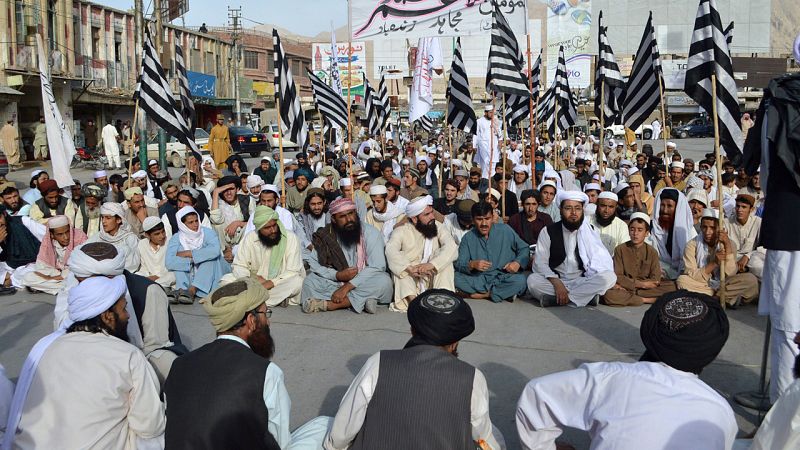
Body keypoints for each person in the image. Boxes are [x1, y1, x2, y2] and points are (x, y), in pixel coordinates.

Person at [516, 290, 736, 450]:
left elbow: (537, 394)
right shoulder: (720, 412)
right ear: (711, 351)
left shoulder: (609, 379)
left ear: (651, 333)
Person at [325, 289, 503, 450]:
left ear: (412, 330)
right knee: (493, 435)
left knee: (321, 425)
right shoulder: (472, 378)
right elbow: (484, 439)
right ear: (455, 342)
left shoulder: (378, 362)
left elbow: (340, 436)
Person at [164, 279, 330, 450]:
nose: (269, 322)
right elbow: (280, 442)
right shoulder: (266, 373)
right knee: (326, 425)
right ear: (251, 321)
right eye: (266, 314)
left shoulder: (179, 365)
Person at [4, 276, 165, 450]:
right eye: (124, 309)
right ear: (107, 316)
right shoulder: (128, 355)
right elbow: (150, 425)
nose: (128, 316)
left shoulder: (47, 347)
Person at [301, 198, 393, 314]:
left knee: (384, 281)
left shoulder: (371, 233)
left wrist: (347, 287)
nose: (349, 219)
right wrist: (338, 275)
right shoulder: (326, 235)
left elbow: (377, 266)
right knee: (310, 282)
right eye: (342, 217)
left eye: (351, 214)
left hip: (364, 279)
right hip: (336, 281)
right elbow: (314, 263)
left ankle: (332, 304)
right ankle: (363, 300)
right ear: (334, 219)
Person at [527, 191, 616, 307]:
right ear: (560, 210)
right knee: (532, 281)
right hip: (555, 280)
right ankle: (585, 298)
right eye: (568, 208)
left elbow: (598, 260)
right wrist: (557, 283)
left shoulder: (591, 231)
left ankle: (560, 299)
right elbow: (540, 263)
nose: (574, 213)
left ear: (582, 211)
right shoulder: (548, 231)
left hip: (581, 281)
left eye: (578, 208)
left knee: (610, 277)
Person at [221, 206, 305, 307]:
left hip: (278, 282)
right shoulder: (250, 238)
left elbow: (293, 271)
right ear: (259, 228)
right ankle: (273, 300)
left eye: (274, 225)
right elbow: (239, 265)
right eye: (267, 228)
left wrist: (271, 282)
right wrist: (252, 279)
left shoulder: (290, 238)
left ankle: (249, 301)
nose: (273, 230)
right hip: (253, 282)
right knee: (225, 280)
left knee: (298, 283)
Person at [386, 196, 458, 313]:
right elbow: (390, 250)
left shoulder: (438, 227)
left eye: (431, 213)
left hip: (431, 277)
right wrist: (409, 268)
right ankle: (415, 304)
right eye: (427, 215)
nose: (432, 217)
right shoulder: (401, 231)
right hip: (412, 280)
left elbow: (451, 247)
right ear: (414, 219)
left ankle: (443, 302)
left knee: (445, 262)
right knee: (400, 268)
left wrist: (432, 264)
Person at [677, 210, 759, 307]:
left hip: (725, 283)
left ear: (721, 229)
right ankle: (725, 298)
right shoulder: (692, 245)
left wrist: (727, 245)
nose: (707, 232)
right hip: (702, 284)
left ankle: (713, 298)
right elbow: (692, 274)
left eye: (712, 228)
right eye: (704, 227)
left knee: (751, 280)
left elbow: (731, 273)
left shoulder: (729, 244)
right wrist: (714, 263)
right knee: (682, 280)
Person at [455, 201, 529, 302]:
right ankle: (502, 293)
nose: (484, 224)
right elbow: (459, 264)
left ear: (492, 217)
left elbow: (524, 248)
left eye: (487, 219)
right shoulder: (467, 238)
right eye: (479, 219)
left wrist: (517, 262)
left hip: (504, 276)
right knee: (455, 277)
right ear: (473, 220)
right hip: (480, 279)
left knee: (520, 280)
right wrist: (472, 265)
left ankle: (484, 294)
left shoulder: (505, 230)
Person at [604, 212, 677, 306]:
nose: (635, 233)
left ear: (646, 233)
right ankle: (647, 300)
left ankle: (635, 297)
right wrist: (641, 284)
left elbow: (655, 279)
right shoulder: (620, 249)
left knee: (672, 286)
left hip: (641, 289)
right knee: (609, 295)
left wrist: (642, 285)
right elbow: (619, 276)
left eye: (640, 230)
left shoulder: (652, 252)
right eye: (632, 229)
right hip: (628, 286)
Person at [166, 206, 230, 302]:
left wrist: (190, 253)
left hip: (216, 269)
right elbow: (169, 262)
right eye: (190, 222)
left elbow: (215, 251)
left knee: (209, 258)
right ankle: (182, 290)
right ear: (182, 224)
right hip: (192, 271)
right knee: (179, 260)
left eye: (196, 221)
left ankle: (192, 290)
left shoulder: (208, 233)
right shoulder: (176, 238)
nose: (195, 225)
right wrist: (191, 260)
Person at [22, 216, 87, 295]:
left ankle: (57, 287)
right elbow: (42, 265)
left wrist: (50, 278)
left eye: (67, 232)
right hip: (57, 274)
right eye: (60, 234)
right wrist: (55, 275)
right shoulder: (47, 241)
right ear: (52, 235)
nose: (66, 237)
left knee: (75, 279)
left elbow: (82, 265)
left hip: (73, 275)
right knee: (27, 277)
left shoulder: (80, 237)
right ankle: (66, 288)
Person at [650, 188, 696, 280]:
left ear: (678, 208)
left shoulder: (690, 232)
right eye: (662, 205)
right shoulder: (652, 228)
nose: (665, 210)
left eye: (669, 206)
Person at [0, 208, 44, 294]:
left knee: (28, 273)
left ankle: (10, 281)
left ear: (4, 214)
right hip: (8, 267)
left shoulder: (23, 221)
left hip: (32, 264)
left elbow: (47, 236)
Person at [87, 202, 140, 272]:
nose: (103, 221)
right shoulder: (98, 237)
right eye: (102, 217)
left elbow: (133, 263)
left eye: (108, 218)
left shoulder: (129, 238)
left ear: (119, 220)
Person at [210, 175, 250, 262]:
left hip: (242, 239)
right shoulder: (219, 203)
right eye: (225, 190)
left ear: (237, 189)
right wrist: (216, 192)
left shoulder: (247, 201)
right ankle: (227, 250)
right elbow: (215, 219)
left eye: (231, 189)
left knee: (249, 227)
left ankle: (238, 251)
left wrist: (238, 223)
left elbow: (255, 222)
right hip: (225, 241)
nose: (228, 193)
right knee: (217, 224)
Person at [725, 193, 765, 279]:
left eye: (744, 207)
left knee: (757, 264)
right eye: (737, 206)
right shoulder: (726, 222)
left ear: (751, 209)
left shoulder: (758, 222)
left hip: (750, 259)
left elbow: (764, 247)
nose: (739, 210)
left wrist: (748, 255)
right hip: (731, 259)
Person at [135, 216, 176, 292]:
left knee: (174, 275)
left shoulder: (171, 241)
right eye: (157, 234)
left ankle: (153, 286)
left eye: (163, 231)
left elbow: (173, 266)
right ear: (147, 235)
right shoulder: (142, 244)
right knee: (136, 276)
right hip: (149, 277)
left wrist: (158, 277)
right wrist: (148, 277)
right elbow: (144, 267)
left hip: (166, 276)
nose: (162, 236)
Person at [473, 105, 501, 180]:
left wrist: (500, 140)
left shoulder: (495, 120)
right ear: (485, 113)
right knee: (485, 163)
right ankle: (485, 180)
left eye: (493, 112)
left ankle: (491, 180)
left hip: (494, 146)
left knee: (493, 163)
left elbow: (499, 133)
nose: (492, 114)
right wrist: (474, 146)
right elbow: (475, 134)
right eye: (490, 112)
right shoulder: (479, 121)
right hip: (483, 146)